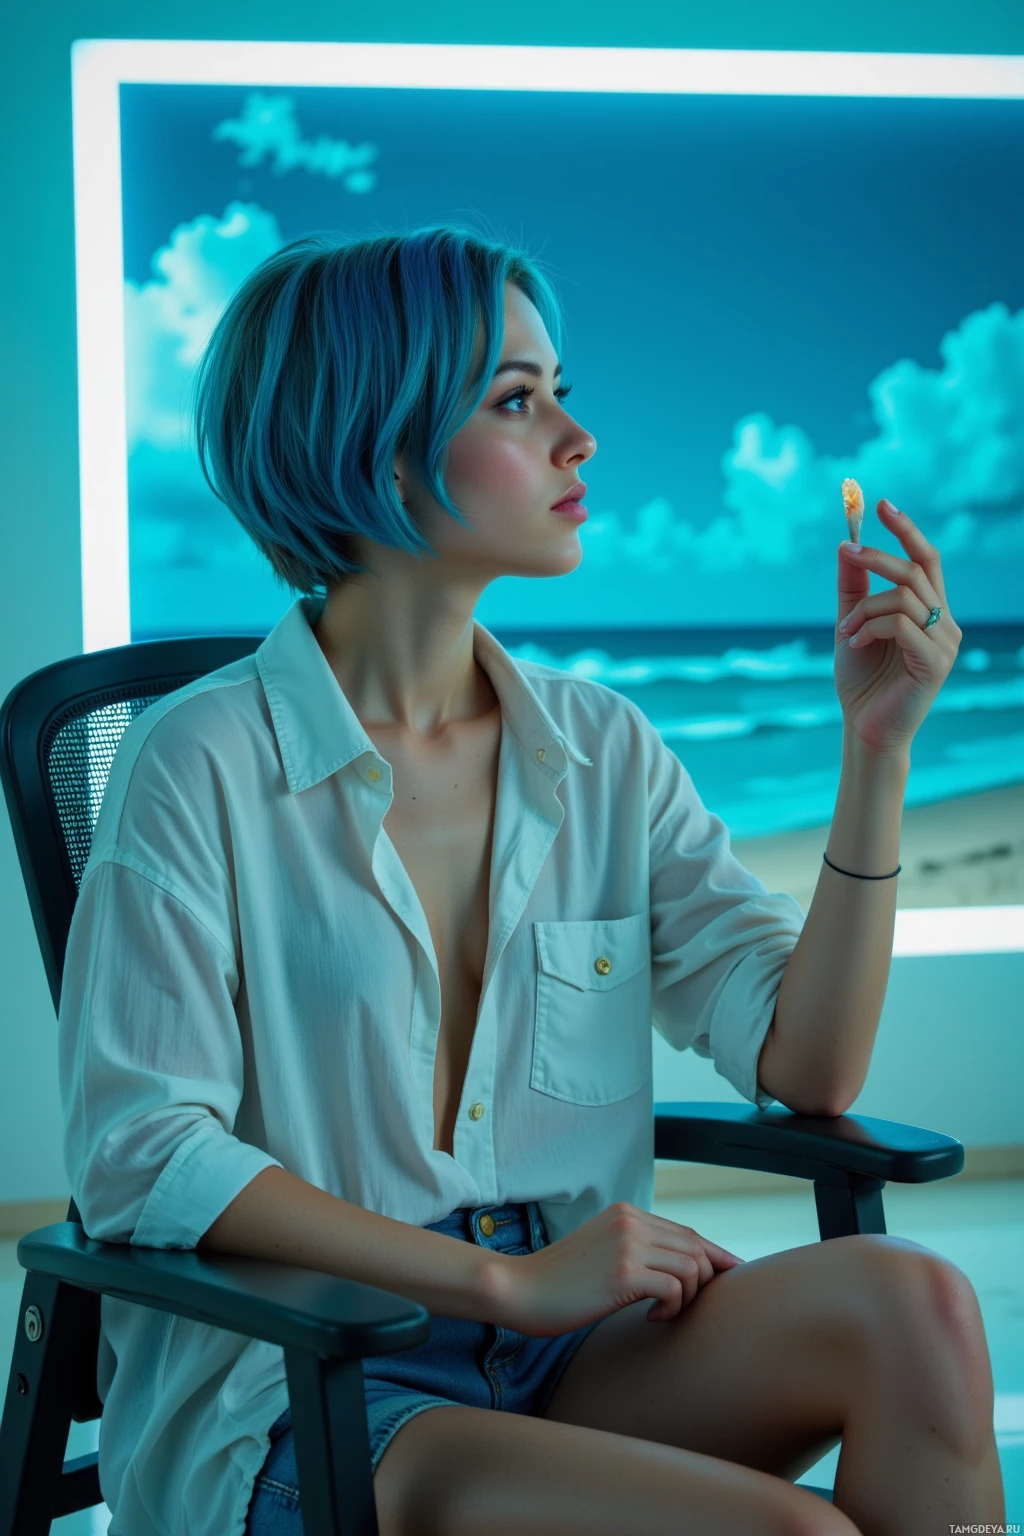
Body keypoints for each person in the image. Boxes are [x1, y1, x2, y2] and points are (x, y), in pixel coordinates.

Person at [58, 225, 1004, 1536]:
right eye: (518, 399)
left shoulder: (603, 747)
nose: (579, 438)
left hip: (570, 1351)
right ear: (381, 449)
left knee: (917, 1305)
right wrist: (499, 1286)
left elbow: (808, 1068)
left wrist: (878, 750)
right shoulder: (196, 760)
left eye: (564, 390)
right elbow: (137, 1152)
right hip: (320, 1384)